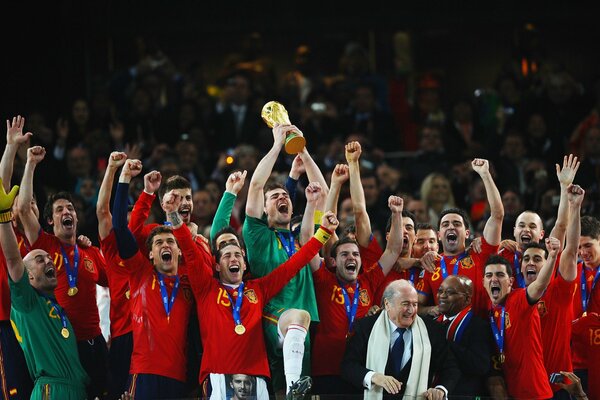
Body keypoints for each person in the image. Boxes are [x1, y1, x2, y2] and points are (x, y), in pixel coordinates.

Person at [171, 184, 337, 400]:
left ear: (245, 263)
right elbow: (190, 252)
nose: (234, 259)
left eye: (238, 255)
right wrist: (173, 215)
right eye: (227, 256)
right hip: (219, 374)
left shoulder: (258, 288)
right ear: (217, 266)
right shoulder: (206, 288)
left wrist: (324, 232)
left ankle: (293, 388)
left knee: (299, 313)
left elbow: (295, 262)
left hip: (257, 378)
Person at [18, 145, 109, 399]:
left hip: (96, 342)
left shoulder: (89, 252)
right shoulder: (45, 246)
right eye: (59, 210)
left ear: (77, 218)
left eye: (70, 208)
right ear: (50, 221)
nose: (66, 212)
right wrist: (30, 164)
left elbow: (113, 282)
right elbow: (24, 209)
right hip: (66, 345)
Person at [243, 123, 327, 395]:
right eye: (274, 196)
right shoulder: (257, 235)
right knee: (290, 383)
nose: (282, 198)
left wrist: (302, 149)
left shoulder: (300, 238)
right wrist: (278, 144)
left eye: (285, 195)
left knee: (287, 393)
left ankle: (292, 387)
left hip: (300, 329)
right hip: (273, 316)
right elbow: (256, 185)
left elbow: (322, 193)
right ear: (265, 208)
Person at [111, 159, 195, 399]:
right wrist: (130, 181)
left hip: (180, 374)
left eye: (187, 198)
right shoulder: (142, 271)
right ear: (149, 252)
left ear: (179, 250)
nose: (165, 244)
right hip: (143, 370)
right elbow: (123, 228)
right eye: (159, 243)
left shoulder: (193, 268)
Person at [309, 192, 405, 396]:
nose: (351, 257)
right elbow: (308, 248)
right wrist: (320, 221)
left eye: (355, 254)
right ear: (333, 261)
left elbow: (393, 249)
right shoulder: (324, 279)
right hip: (326, 368)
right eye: (344, 254)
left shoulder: (368, 280)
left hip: (361, 367)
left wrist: (396, 214)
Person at [0, 180, 89, 399]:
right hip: (51, 391)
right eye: (40, 259)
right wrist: (3, 217)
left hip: (77, 390)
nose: (49, 261)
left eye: (49, 257)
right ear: (28, 275)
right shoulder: (26, 303)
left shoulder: (58, 309)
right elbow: (12, 259)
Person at [341, 280, 460, 399]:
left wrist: (441, 389)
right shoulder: (366, 327)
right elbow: (348, 366)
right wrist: (373, 377)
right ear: (387, 304)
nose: (411, 310)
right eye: (405, 304)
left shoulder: (432, 330)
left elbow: (450, 368)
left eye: (415, 304)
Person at [518, 184, 583, 399]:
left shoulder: (558, 291)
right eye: (526, 259)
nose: (531, 263)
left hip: (558, 386)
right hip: (524, 385)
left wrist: (574, 206)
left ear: (548, 265)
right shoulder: (513, 296)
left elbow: (571, 250)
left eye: (538, 259)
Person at [418, 159, 503, 318]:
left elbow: (497, 215)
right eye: (445, 224)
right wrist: (429, 310)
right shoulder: (431, 264)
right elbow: (417, 305)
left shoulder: (480, 254)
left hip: (477, 329)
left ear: (467, 233)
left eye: (456, 223)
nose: (451, 227)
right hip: (443, 332)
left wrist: (485, 175)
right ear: (439, 235)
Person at [483, 241, 560, 400]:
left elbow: (539, 285)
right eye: (489, 275)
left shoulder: (519, 299)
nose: (494, 279)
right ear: (483, 282)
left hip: (536, 393)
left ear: (511, 281)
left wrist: (552, 256)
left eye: (500, 275)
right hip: (512, 392)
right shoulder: (488, 309)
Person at [497, 154, 579, 288]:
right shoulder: (504, 254)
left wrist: (565, 187)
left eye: (532, 226)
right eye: (521, 225)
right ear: (514, 231)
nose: (526, 229)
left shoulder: (549, 253)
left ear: (541, 234)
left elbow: (561, 225)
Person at [0, 115, 34, 399]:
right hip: (4, 319)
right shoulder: (3, 226)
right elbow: (3, 182)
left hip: (28, 322)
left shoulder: (32, 237)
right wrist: (11, 147)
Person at [96, 151, 134, 399]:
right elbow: (102, 210)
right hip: (122, 335)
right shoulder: (111, 250)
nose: (126, 228)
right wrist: (111, 168)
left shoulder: (148, 254)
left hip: (148, 335)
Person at [434, 275, 493, 397]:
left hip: (462, 394)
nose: (442, 296)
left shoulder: (479, 326)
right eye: (440, 291)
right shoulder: (430, 323)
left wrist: (446, 343)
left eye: (449, 292)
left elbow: (480, 366)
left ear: (467, 299)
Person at [572, 214, 600, 392]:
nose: (583, 252)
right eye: (579, 247)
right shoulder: (571, 273)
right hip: (577, 362)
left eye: (588, 245)